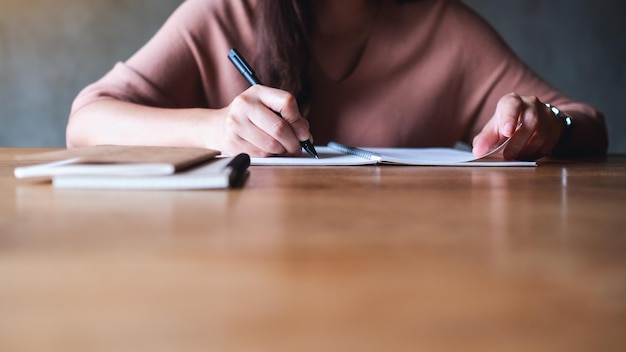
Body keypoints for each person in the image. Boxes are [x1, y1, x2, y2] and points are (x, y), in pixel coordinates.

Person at [66, 0, 608, 160]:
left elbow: (587, 122)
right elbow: (86, 121)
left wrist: (547, 124)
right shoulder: (223, 13)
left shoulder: (442, 27)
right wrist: (215, 129)